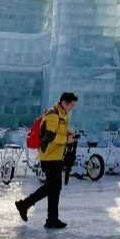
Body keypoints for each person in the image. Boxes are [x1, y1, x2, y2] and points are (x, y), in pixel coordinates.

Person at [15, 92, 78, 229]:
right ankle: (25, 205)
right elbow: (49, 136)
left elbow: (58, 130)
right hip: (49, 157)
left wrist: (68, 133)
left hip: (55, 156)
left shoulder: (61, 115)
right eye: (71, 105)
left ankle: (51, 219)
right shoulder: (52, 115)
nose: (72, 108)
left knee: (54, 187)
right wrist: (66, 139)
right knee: (52, 187)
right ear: (64, 103)